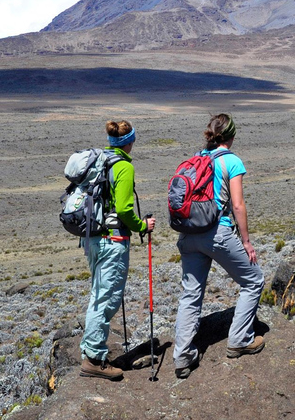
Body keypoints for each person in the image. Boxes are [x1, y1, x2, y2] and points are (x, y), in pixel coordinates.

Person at [173, 114, 265, 379]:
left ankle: (182, 357)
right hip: (217, 233)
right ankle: (240, 339)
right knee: (254, 280)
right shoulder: (231, 161)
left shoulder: (197, 158)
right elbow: (237, 205)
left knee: (191, 294)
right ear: (232, 136)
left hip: (189, 235)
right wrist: (246, 241)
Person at [79, 120, 156, 380]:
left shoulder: (100, 161)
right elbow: (124, 209)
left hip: (93, 239)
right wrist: (142, 225)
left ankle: (91, 352)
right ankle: (94, 360)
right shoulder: (123, 167)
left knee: (98, 295)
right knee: (106, 300)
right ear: (129, 141)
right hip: (112, 241)